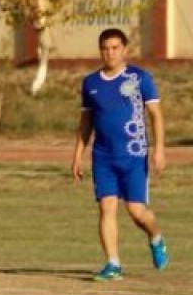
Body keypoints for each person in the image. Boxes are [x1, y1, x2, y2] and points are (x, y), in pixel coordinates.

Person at [69, 27, 167, 281]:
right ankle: (113, 264)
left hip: (134, 155)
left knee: (136, 212)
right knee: (106, 207)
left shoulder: (140, 78)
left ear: (124, 49)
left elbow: (155, 116)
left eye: (114, 48)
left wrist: (159, 150)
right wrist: (77, 155)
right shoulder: (90, 83)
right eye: (105, 48)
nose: (109, 53)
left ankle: (156, 237)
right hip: (103, 157)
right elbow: (85, 123)